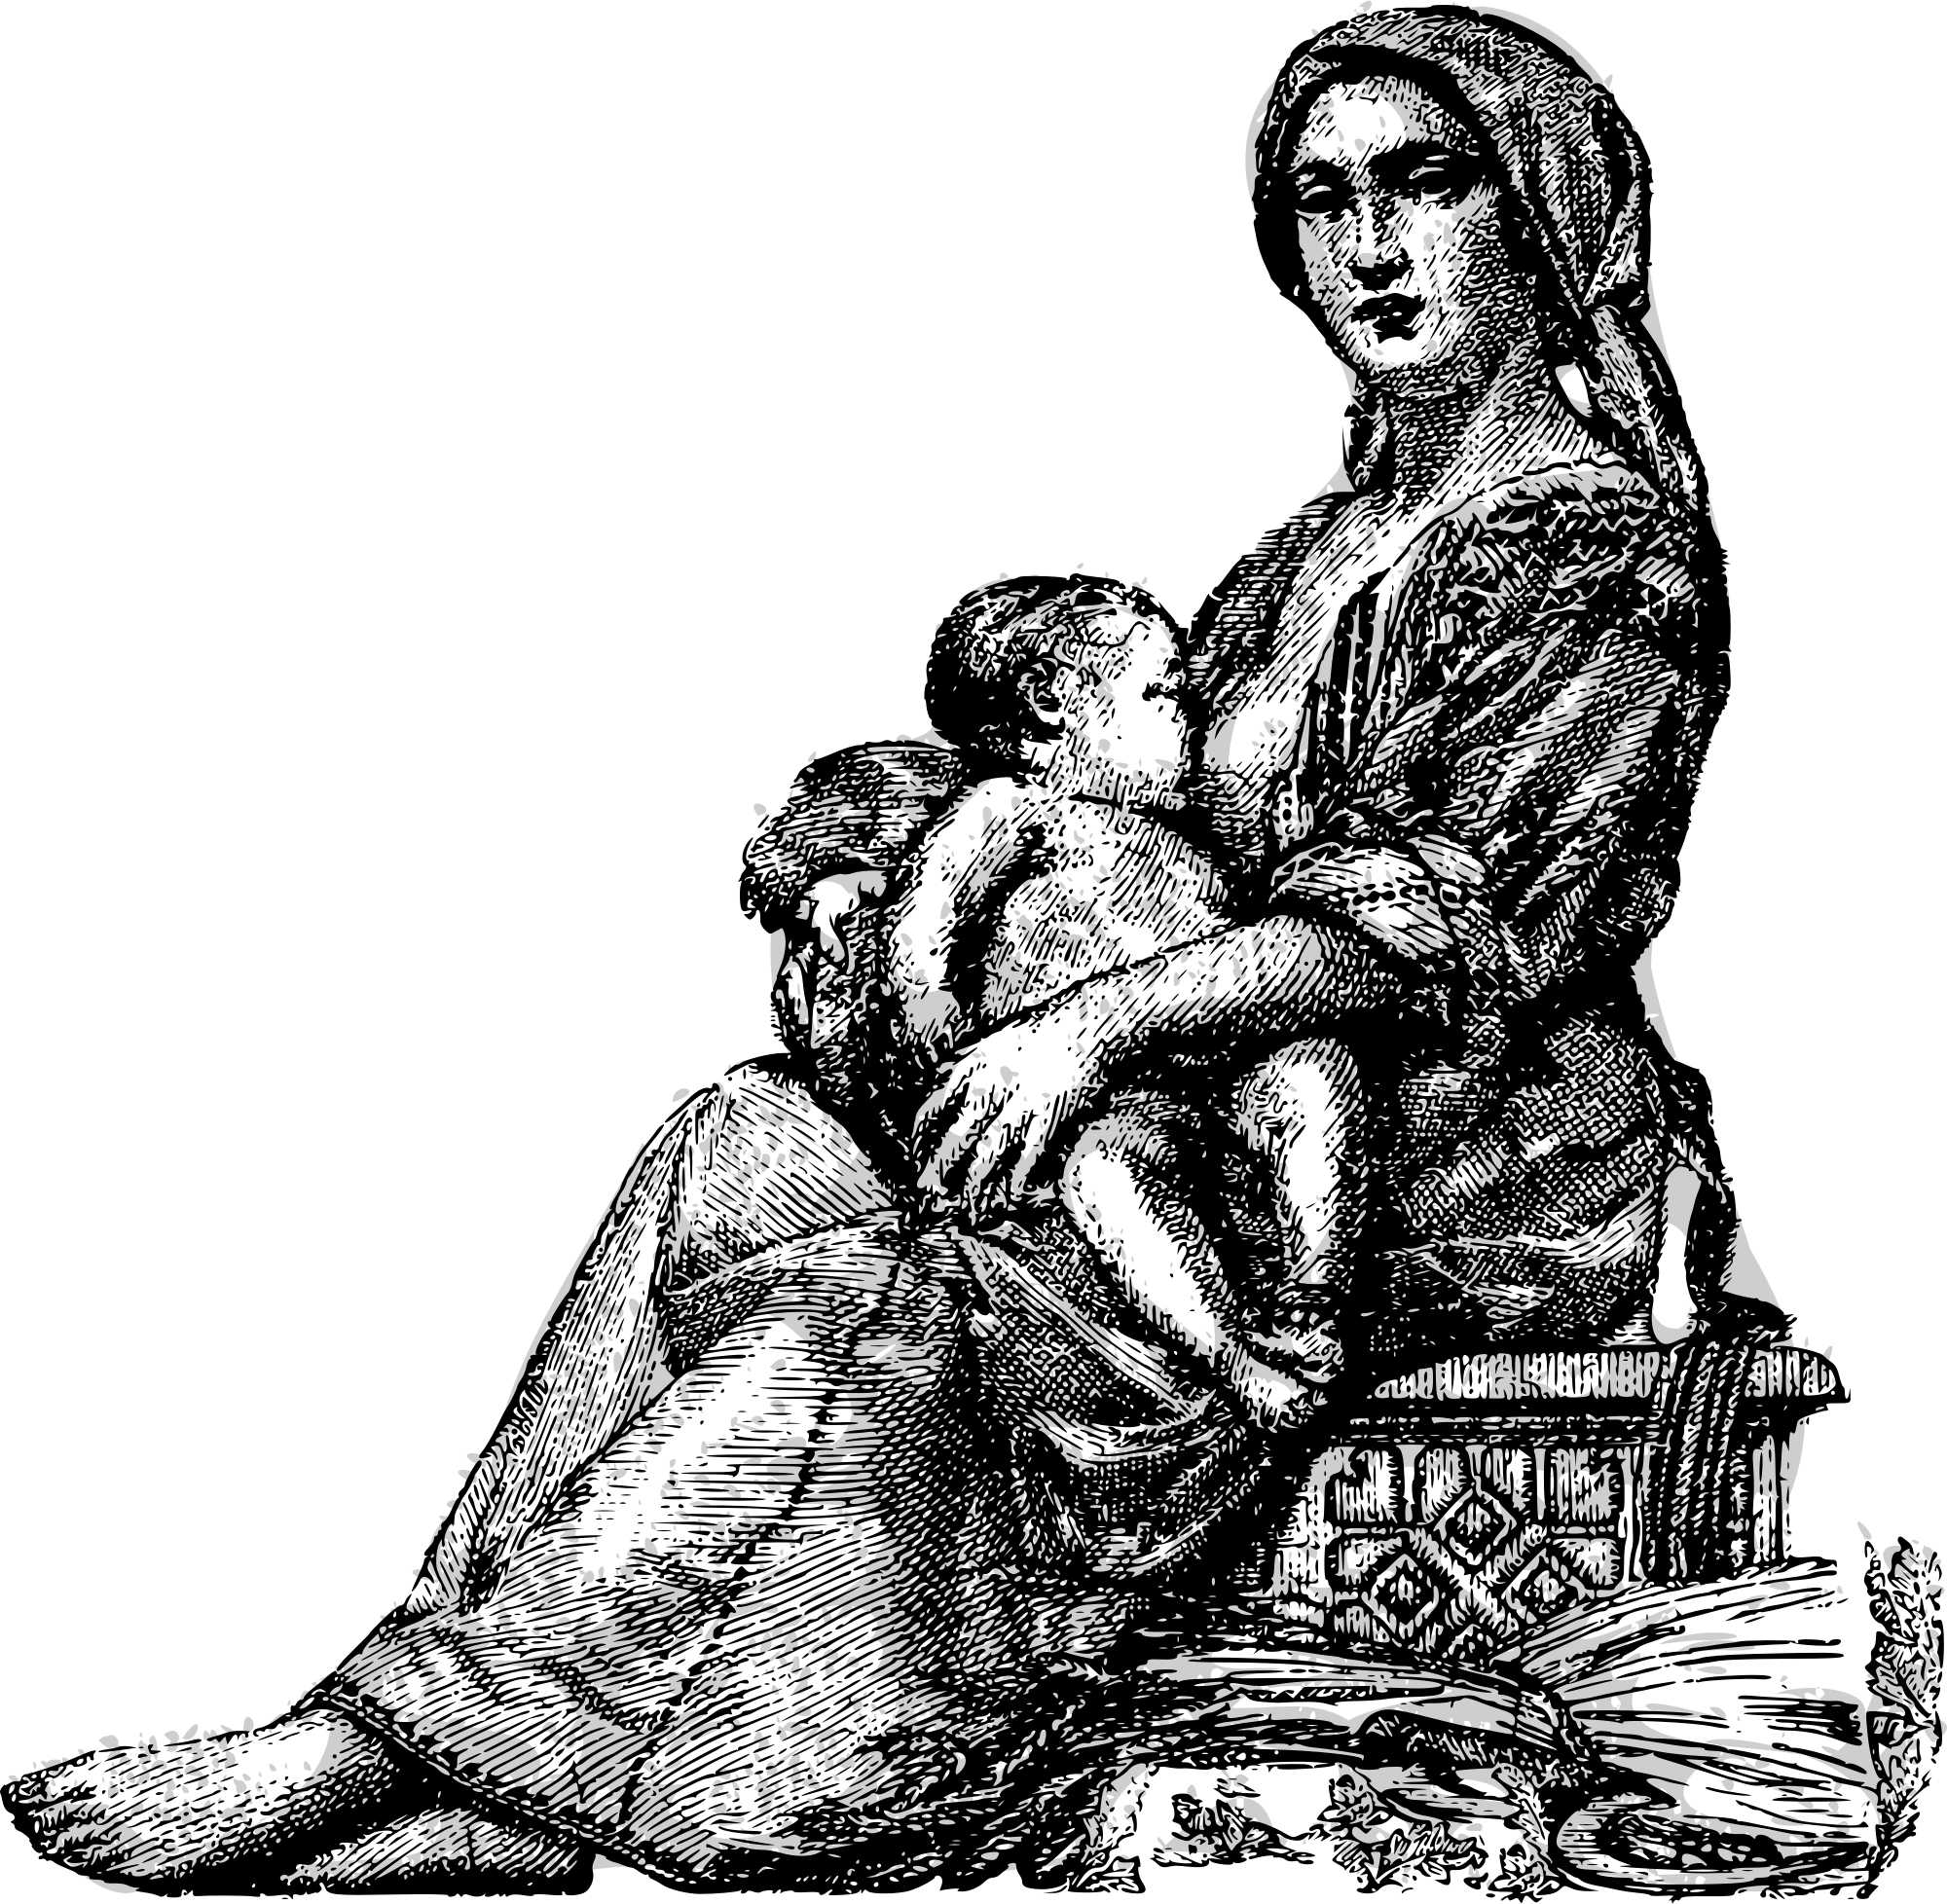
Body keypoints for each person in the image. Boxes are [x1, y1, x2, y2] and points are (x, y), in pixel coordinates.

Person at [21, 8, 1934, 1886]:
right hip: (1225, 1073)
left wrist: (1093, 989)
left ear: (1549, 214)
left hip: (1433, 1153)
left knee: (903, 1293)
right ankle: (446, 1701)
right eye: (1321, 190)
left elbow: (1440, 932)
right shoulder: (1348, 525)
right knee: (733, 1168)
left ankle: (589, 1753)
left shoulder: (1603, 555)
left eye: (1418, 180)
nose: (1366, 236)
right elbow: (1201, 797)